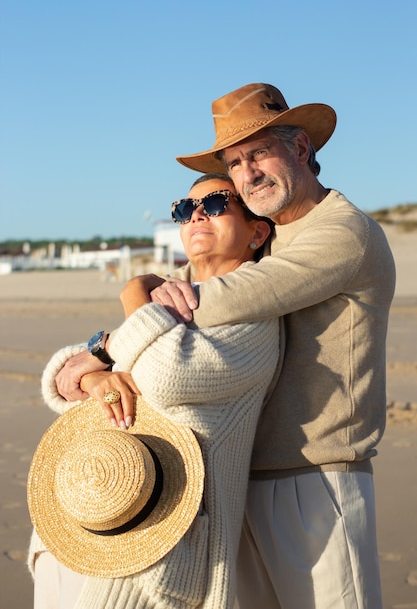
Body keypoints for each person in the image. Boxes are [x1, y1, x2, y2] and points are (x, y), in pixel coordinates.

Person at [51, 83, 396, 608]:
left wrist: (109, 342)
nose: (248, 173)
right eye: (235, 163)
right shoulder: (266, 236)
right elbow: (176, 288)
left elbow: (218, 298)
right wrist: (111, 339)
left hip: (317, 478)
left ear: (301, 149)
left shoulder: (343, 232)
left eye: (260, 152)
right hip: (234, 482)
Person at [28, 173, 280, 609]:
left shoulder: (254, 313)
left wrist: (131, 297)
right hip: (80, 515)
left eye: (218, 204)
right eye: (185, 208)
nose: (197, 213)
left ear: (258, 231)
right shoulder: (169, 296)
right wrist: (97, 374)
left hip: (155, 548)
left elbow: (166, 375)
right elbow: (63, 379)